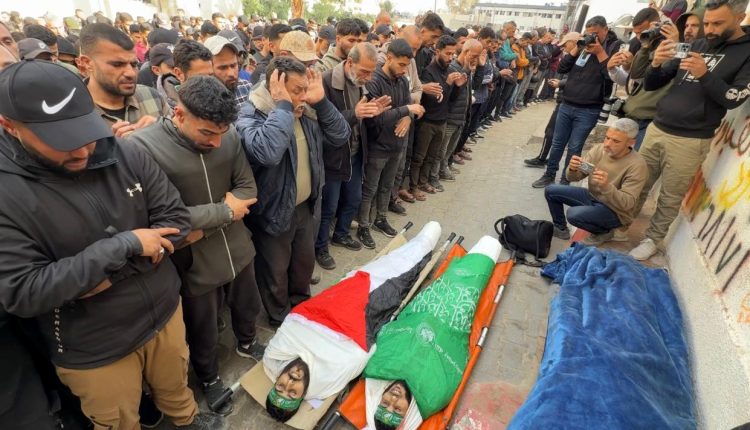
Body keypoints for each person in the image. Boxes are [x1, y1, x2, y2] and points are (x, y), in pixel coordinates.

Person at [0, 60, 223, 430]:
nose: (82, 150)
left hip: (163, 310)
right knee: (118, 419)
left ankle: (187, 419)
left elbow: (175, 220)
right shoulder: (7, 194)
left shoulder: (123, 151)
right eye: (61, 139)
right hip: (94, 346)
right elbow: (24, 292)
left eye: (83, 130)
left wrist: (91, 280)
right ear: (10, 126)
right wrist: (126, 245)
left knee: (176, 384)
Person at [130, 76, 264, 415]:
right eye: (207, 133)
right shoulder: (144, 147)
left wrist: (201, 226)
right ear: (179, 114)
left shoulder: (228, 136)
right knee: (203, 326)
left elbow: (248, 190)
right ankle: (208, 376)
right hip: (194, 260)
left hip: (237, 246)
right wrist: (225, 212)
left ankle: (248, 341)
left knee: (247, 302)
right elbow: (162, 220)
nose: (217, 142)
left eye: (222, 132)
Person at [263, 222, 441, 422]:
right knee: (399, 271)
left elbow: (289, 324)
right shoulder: (325, 383)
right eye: (293, 393)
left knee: (364, 274)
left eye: (281, 387)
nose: (290, 382)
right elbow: (359, 355)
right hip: (359, 315)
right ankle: (423, 244)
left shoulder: (273, 359)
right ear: (303, 395)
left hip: (327, 303)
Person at [629, 0, 750, 261]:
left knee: (670, 196)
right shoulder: (698, 44)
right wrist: (656, 64)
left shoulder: (746, 52)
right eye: (707, 23)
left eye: (717, 23)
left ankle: (652, 239)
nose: (710, 29)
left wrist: (704, 74)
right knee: (637, 183)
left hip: (691, 139)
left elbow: (734, 98)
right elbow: (652, 83)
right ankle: (619, 224)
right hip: (658, 127)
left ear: (740, 17)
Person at [236, 56, 350, 327]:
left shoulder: (306, 111)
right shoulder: (252, 114)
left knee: (302, 266)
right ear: (276, 87)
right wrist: (284, 107)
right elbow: (268, 152)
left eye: (305, 89)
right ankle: (280, 318)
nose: (303, 97)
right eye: (296, 90)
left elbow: (340, 135)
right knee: (275, 273)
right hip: (273, 211)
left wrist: (321, 102)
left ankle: (300, 309)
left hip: (305, 208)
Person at [316, 42, 388, 270]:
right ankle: (320, 247)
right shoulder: (326, 81)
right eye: (365, 71)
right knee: (329, 206)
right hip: (333, 156)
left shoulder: (362, 84)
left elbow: (365, 121)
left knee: (354, 198)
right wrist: (354, 114)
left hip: (355, 153)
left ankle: (342, 234)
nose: (368, 77)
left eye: (371, 72)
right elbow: (322, 123)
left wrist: (374, 113)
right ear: (349, 63)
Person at [532, 16, 622, 188]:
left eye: (595, 33)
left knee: (575, 147)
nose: (592, 37)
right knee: (557, 143)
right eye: (589, 34)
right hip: (567, 104)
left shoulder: (614, 47)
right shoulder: (583, 47)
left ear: (605, 30)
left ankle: (566, 179)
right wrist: (577, 48)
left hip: (589, 109)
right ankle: (549, 174)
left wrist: (599, 52)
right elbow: (562, 68)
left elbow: (609, 76)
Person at [357, 39, 424, 249]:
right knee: (370, 188)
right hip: (378, 145)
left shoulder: (402, 81)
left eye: (407, 65)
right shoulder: (374, 80)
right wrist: (407, 111)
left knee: (387, 185)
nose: (404, 70)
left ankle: (381, 218)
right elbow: (376, 118)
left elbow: (407, 106)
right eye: (401, 64)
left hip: (396, 144)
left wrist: (407, 117)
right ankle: (363, 226)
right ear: (389, 57)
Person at [545, 119, 648, 246]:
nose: (608, 144)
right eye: (607, 138)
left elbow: (627, 204)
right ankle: (560, 228)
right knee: (551, 190)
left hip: (615, 211)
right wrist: (572, 169)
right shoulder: (599, 149)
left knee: (573, 214)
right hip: (593, 196)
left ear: (630, 143)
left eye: (616, 141)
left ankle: (604, 232)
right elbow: (574, 177)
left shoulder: (637, 165)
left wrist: (606, 187)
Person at [79, 23, 171, 137]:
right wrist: (112, 146)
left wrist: (162, 130)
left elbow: (181, 138)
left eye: (133, 64)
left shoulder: (152, 97)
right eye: (117, 64)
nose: (130, 73)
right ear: (87, 63)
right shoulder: (72, 114)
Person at [410, 35, 466, 197]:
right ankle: (413, 186)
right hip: (427, 122)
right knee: (419, 157)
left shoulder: (449, 71)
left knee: (432, 157)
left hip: (442, 121)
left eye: (453, 54)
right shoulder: (428, 72)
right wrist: (447, 84)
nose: (451, 57)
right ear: (437, 51)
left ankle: (423, 182)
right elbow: (432, 102)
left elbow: (451, 100)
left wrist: (458, 87)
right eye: (447, 53)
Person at [440, 38, 482, 182]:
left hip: (460, 116)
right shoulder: (453, 68)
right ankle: (440, 170)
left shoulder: (467, 68)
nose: (476, 59)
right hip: (451, 116)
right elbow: (452, 95)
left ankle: (446, 165)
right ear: (466, 52)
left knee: (451, 147)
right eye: (474, 56)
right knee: (443, 148)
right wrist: (465, 70)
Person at [156, 39, 214, 108]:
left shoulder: (218, 97)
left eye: (211, 75)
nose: (209, 82)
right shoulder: (164, 108)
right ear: (179, 74)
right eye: (200, 78)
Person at [203, 35, 253, 106]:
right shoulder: (201, 101)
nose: (231, 73)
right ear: (208, 69)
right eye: (223, 68)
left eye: (233, 65)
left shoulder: (247, 88)